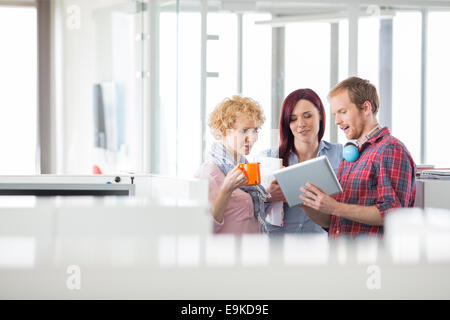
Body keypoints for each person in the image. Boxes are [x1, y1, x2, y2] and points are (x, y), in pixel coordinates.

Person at [299, 77, 416, 238]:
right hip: (342, 256)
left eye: (343, 112)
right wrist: (305, 202)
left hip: (371, 259)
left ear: (366, 108)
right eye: (335, 114)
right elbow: (334, 221)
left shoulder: (390, 149)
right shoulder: (351, 156)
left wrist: (335, 207)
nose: (337, 121)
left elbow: (393, 214)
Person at [263, 88, 343, 234]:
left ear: (319, 115)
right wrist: (266, 196)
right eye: (293, 119)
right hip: (277, 247)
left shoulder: (339, 154)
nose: (301, 124)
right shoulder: (268, 158)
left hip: (320, 246)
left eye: (307, 116)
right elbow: (247, 211)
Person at [195, 95, 270, 235]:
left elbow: (251, 213)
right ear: (224, 131)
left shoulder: (243, 166)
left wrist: (272, 195)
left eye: (255, 131)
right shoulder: (209, 172)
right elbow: (205, 228)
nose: (252, 138)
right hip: (227, 254)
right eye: (244, 131)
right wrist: (226, 190)